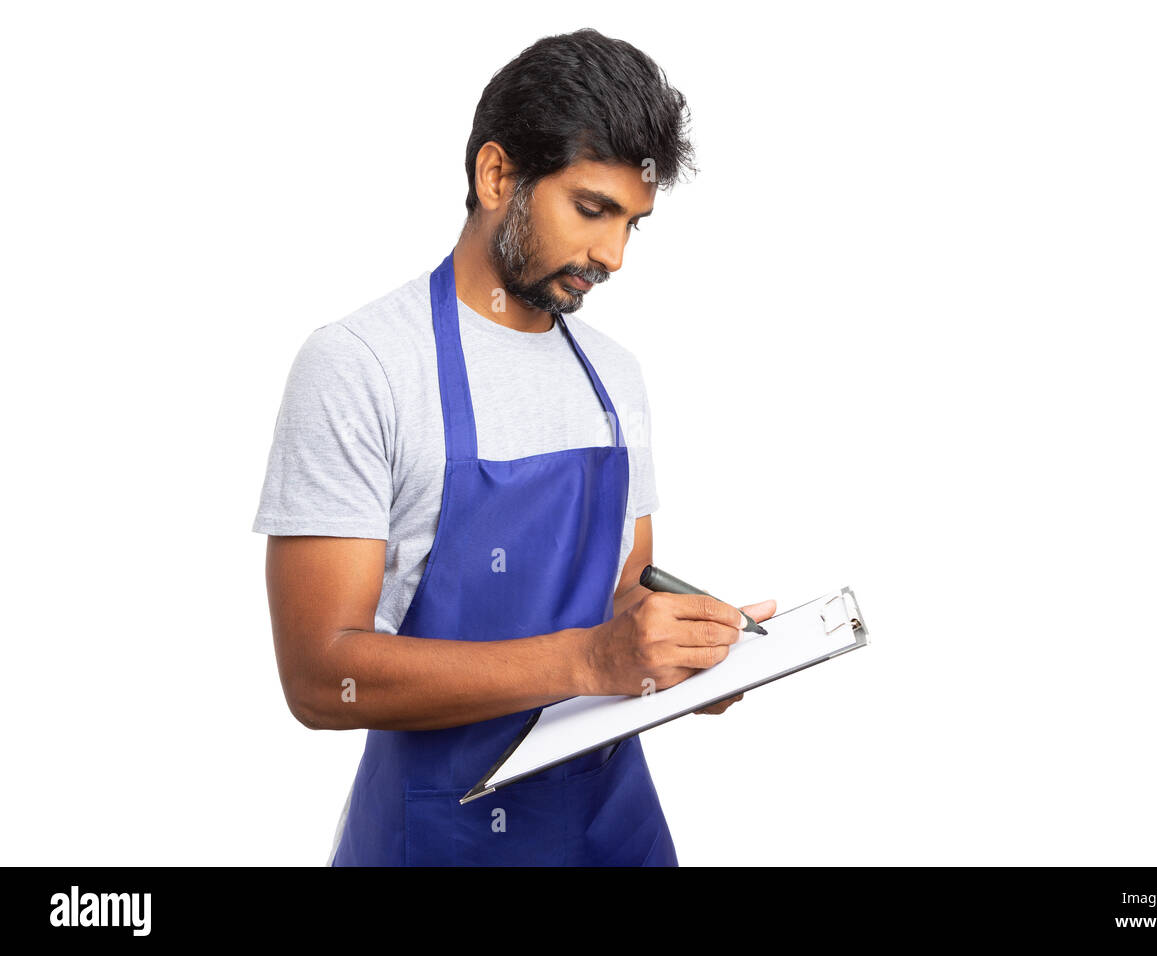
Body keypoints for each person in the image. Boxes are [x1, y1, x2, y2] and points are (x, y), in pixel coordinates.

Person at [252, 27, 776, 867]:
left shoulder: (615, 379)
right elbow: (320, 677)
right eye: (591, 209)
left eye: (632, 224)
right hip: (440, 837)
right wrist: (589, 659)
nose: (612, 255)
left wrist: (680, 652)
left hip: (614, 831)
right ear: (497, 175)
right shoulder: (363, 366)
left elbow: (620, 602)